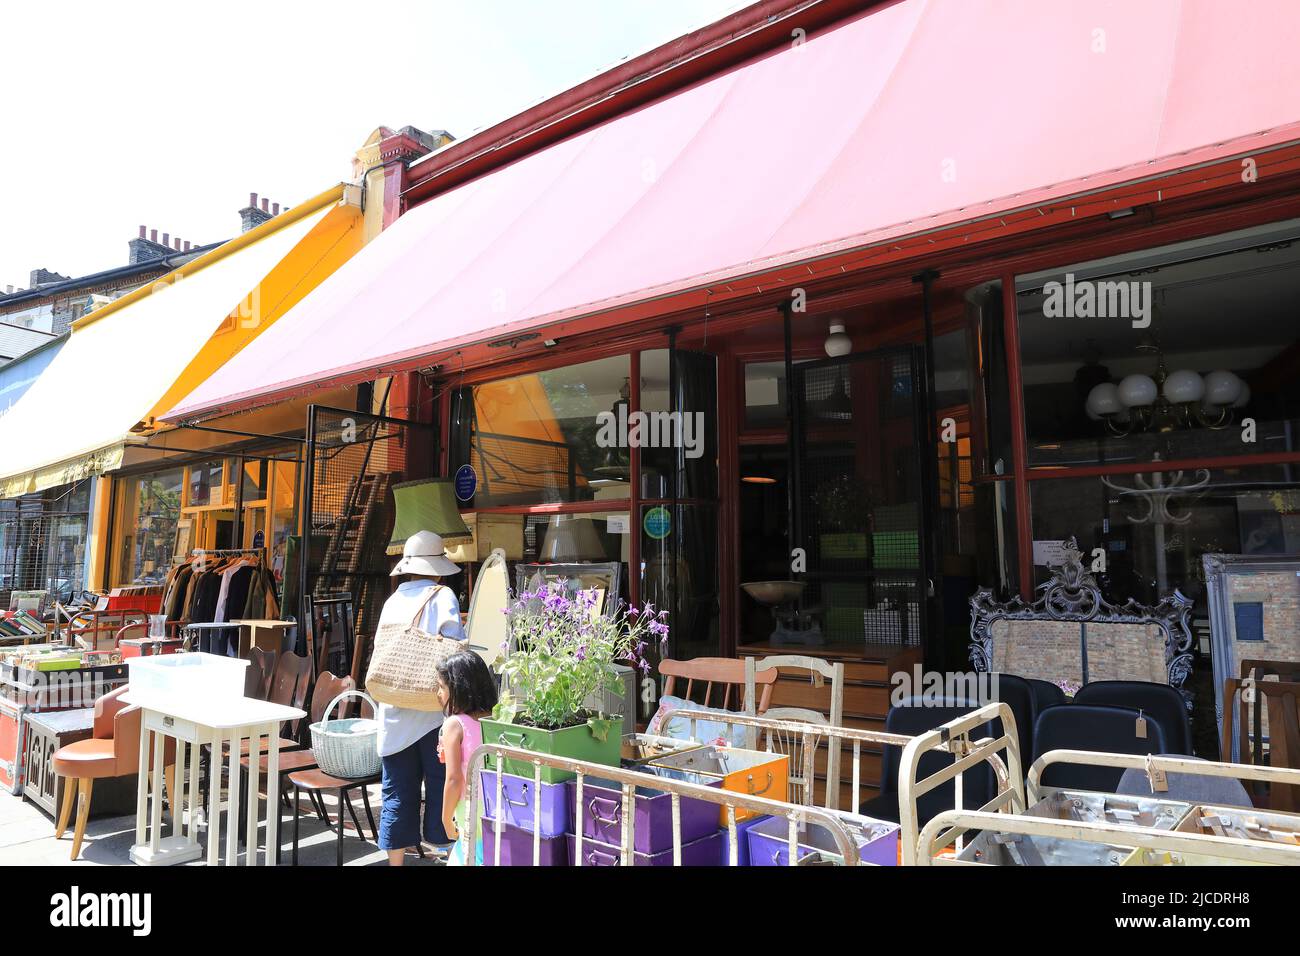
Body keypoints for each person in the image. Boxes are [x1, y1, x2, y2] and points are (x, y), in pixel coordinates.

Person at [376, 530, 465, 866]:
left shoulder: (391, 601)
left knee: (396, 791)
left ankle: (395, 863)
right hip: (432, 712)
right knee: (443, 786)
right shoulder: (443, 597)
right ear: (438, 567)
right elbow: (454, 648)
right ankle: (444, 854)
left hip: (395, 711)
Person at [435, 650, 498, 867]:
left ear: (458, 689)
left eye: (442, 687)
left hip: (469, 808)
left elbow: (454, 779)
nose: (439, 693)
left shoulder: (454, 723)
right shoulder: (495, 716)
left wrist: (445, 818)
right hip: (497, 804)